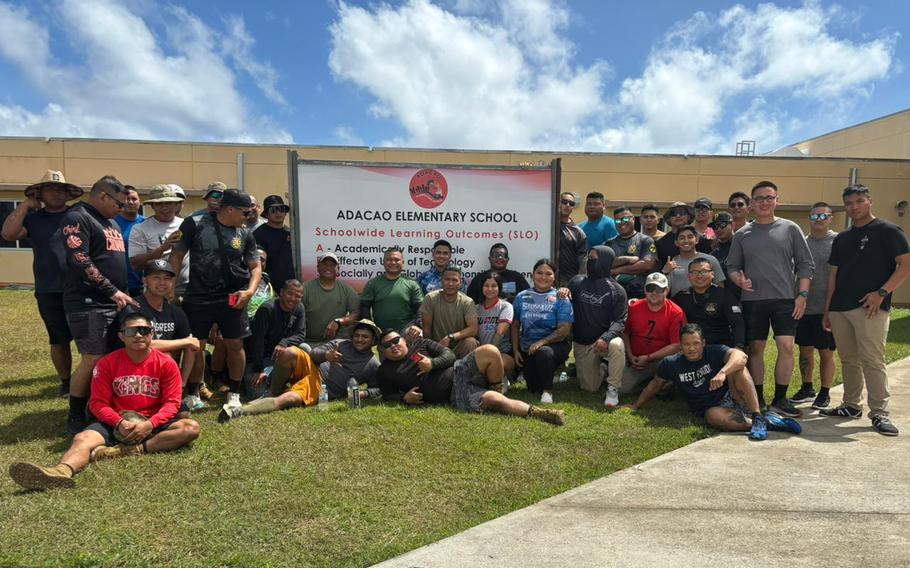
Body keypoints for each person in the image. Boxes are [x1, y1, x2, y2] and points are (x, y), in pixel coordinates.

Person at [8, 313, 200, 491]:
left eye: (145, 330)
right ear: (121, 336)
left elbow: (172, 403)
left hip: (153, 421)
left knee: (190, 428)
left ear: (152, 334)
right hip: (116, 421)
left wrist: (150, 424)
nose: (139, 335)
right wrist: (119, 422)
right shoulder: (107, 363)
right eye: (132, 331)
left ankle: (126, 451)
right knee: (82, 439)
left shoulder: (166, 363)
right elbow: (98, 403)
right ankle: (60, 472)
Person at [821, 184, 910, 436]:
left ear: (870, 201)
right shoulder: (842, 238)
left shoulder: (889, 231)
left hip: (870, 307)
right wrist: (828, 310)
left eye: (859, 201)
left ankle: (879, 412)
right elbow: (833, 276)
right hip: (840, 308)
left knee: (872, 360)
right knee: (849, 359)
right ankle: (851, 405)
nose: (854, 207)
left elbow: (905, 265)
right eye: (849, 203)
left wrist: (881, 293)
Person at [726, 180, 814, 417]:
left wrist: (802, 295)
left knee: (786, 346)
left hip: (786, 299)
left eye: (769, 197)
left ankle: (780, 399)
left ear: (777, 200)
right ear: (752, 203)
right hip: (753, 300)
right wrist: (738, 281)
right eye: (759, 198)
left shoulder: (790, 228)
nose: (764, 202)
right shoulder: (742, 234)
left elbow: (806, 265)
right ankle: (758, 398)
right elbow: (732, 266)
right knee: (756, 348)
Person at [626, 324, 801, 441]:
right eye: (687, 344)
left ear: (703, 343)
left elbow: (742, 356)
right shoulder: (671, 364)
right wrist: (636, 405)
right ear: (680, 346)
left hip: (735, 395)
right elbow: (655, 385)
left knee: (738, 366)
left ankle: (756, 415)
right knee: (713, 417)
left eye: (696, 343)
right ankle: (765, 422)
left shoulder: (714, 351)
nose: (692, 348)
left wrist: (723, 373)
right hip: (713, 408)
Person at [60, 175, 139, 435]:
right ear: (103, 196)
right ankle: (75, 415)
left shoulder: (110, 221)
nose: (123, 208)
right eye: (119, 203)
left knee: (113, 359)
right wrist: (111, 290)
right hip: (89, 302)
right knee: (93, 358)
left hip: (115, 300)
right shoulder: (78, 217)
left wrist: (122, 294)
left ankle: (101, 408)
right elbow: (79, 259)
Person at [171, 188, 262, 413]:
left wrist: (249, 292)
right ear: (229, 209)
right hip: (199, 295)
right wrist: (170, 289)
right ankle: (192, 393)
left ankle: (234, 393)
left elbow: (255, 266)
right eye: (244, 212)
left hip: (234, 296)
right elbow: (176, 255)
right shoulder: (195, 224)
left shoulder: (245, 233)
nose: (248, 216)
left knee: (234, 344)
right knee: (195, 346)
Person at [1, 170, 83, 396]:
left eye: (61, 189)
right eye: (50, 189)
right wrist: (26, 205)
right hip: (49, 288)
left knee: (88, 338)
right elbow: (8, 234)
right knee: (58, 339)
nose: (56, 192)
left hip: (81, 286)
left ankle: (89, 381)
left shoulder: (79, 214)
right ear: (41, 194)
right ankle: (66, 382)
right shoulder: (34, 219)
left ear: (68, 194)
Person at [376, 330, 566, 425]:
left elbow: (449, 356)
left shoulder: (422, 343)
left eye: (395, 340)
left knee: (490, 351)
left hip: (460, 369)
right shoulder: (385, 371)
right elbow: (387, 395)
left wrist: (432, 364)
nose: (393, 346)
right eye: (387, 345)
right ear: (382, 351)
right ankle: (541, 413)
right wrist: (403, 398)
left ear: (403, 339)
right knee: (494, 400)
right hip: (455, 394)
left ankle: (495, 387)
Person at [219, 320, 382, 422]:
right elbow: (312, 354)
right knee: (290, 352)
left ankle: (238, 412)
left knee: (288, 399)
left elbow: (377, 389)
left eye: (365, 337)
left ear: (373, 340)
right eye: (357, 335)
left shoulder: (372, 363)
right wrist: (326, 355)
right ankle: (273, 390)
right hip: (312, 367)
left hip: (320, 387)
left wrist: (362, 394)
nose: (359, 339)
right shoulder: (341, 343)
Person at [133, 260, 201, 410]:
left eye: (167, 278)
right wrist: (184, 342)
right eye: (156, 277)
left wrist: (181, 383)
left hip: (163, 370)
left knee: (182, 417)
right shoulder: (134, 307)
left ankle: (179, 389)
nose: (162, 282)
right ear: (144, 280)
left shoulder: (176, 312)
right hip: (134, 370)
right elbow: (142, 343)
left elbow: (192, 345)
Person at [567, 246, 627, 407]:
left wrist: (606, 338)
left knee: (617, 345)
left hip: (603, 341)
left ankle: (613, 388)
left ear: (605, 261)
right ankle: (604, 366)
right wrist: (563, 290)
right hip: (582, 342)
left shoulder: (617, 290)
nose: (590, 262)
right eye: (588, 259)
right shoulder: (577, 282)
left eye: (594, 259)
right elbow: (566, 301)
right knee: (590, 388)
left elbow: (620, 321)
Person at [792, 202, 838, 409]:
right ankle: (807, 387)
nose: (818, 220)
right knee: (805, 350)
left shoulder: (838, 241)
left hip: (827, 307)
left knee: (826, 351)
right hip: (803, 307)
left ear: (831, 218)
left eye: (823, 216)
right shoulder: (801, 242)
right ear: (809, 218)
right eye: (814, 216)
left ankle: (825, 391)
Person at [512, 259, 573, 403]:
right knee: (532, 388)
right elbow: (515, 326)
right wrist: (516, 351)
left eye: (548, 274)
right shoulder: (521, 297)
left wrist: (541, 342)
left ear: (554, 277)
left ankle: (548, 392)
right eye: (539, 273)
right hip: (528, 348)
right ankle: (545, 379)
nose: (543, 277)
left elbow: (564, 330)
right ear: (532, 275)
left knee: (544, 353)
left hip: (555, 346)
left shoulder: (561, 297)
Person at [620, 273, 686, 394]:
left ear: (667, 290)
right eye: (650, 288)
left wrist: (649, 358)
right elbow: (625, 333)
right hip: (636, 359)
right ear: (645, 290)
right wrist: (630, 356)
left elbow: (677, 345)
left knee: (671, 363)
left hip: (660, 360)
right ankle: (655, 385)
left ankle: (663, 382)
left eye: (659, 289)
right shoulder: (634, 307)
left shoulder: (676, 312)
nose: (654, 293)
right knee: (623, 389)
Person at [242, 279, 307, 399]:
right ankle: (275, 384)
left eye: (297, 296)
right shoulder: (267, 309)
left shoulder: (299, 308)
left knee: (305, 349)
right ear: (281, 292)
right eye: (290, 294)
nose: (293, 299)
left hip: (280, 357)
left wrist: (284, 342)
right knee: (256, 395)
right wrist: (259, 369)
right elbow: (257, 342)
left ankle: (282, 383)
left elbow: (300, 334)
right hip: (259, 358)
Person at [128, 184, 189, 297]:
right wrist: (162, 248)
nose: (164, 207)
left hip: (187, 289)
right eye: (159, 204)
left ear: (176, 205)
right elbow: (135, 265)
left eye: (169, 203)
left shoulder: (186, 224)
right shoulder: (140, 229)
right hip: (156, 290)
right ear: (152, 206)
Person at [672, 257, 745, 349]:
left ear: (712, 274)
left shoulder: (725, 295)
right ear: (689, 276)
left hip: (720, 346)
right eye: (694, 272)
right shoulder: (682, 296)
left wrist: (739, 346)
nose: (699, 276)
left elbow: (737, 323)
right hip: (691, 348)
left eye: (704, 271)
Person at [301, 252, 360, 348]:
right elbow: (296, 314)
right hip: (309, 342)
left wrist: (339, 321)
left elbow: (356, 312)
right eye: (325, 264)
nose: (328, 267)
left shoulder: (346, 289)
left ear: (338, 269)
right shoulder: (305, 288)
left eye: (332, 265)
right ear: (318, 267)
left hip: (336, 343)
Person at [360, 246, 424, 334]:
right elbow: (364, 307)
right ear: (383, 262)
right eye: (389, 260)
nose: (393, 262)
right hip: (380, 331)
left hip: (406, 329)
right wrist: (370, 327)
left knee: (418, 335)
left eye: (397, 260)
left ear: (403, 262)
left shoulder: (412, 284)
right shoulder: (373, 283)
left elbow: (420, 308)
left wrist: (418, 326)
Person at [419, 266, 479, 358]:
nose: (450, 283)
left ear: (460, 283)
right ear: (441, 281)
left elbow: (473, 329)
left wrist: (451, 337)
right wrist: (432, 350)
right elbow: (426, 330)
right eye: (447, 279)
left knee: (471, 342)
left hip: (459, 347)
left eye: (454, 280)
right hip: (438, 347)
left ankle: (463, 370)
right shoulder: (430, 298)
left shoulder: (467, 302)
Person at [661, 225, 725, 295]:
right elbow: (663, 291)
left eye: (690, 237)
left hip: (706, 303)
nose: (686, 241)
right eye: (682, 238)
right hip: (678, 304)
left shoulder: (710, 260)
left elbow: (720, 286)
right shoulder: (672, 263)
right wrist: (665, 272)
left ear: (696, 240)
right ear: (676, 243)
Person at [609, 206, 657, 299]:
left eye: (625, 218)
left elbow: (647, 264)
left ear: (633, 219)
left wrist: (616, 270)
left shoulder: (645, 240)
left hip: (638, 293)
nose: (622, 222)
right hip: (614, 293)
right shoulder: (609, 243)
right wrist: (627, 259)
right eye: (617, 221)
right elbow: (603, 264)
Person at [476, 272, 516, 375]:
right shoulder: (476, 308)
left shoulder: (505, 306)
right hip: (479, 352)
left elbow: (500, 333)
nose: (490, 289)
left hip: (502, 352)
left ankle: (503, 379)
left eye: (494, 286)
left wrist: (489, 353)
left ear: (499, 288)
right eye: (486, 286)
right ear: (481, 287)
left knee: (493, 365)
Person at [253, 195, 295, 291]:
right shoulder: (258, 235)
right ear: (266, 214)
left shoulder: (291, 233)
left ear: (285, 213)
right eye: (273, 210)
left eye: (281, 209)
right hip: (268, 286)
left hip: (290, 286)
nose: (278, 213)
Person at [466, 243, 530, 304]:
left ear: (507, 259)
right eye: (495, 255)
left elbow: (528, 298)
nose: (499, 258)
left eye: (503, 255)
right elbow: (470, 303)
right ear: (490, 259)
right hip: (485, 314)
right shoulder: (479, 278)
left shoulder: (517, 278)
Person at [656, 201, 711, 267]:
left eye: (682, 213)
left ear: (688, 217)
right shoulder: (660, 243)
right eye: (673, 213)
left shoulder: (702, 240)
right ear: (669, 219)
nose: (678, 216)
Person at [114, 185, 145, 296]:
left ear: (139, 202)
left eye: (134, 199)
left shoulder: (147, 224)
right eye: (127, 199)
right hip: (116, 285)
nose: (131, 202)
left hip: (142, 285)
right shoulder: (110, 222)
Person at [557, 192, 587, 286]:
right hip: (546, 278)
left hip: (568, 282)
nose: (567, 205)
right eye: (564, 202)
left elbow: (583, 260)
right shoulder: (548, 224)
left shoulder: (578, 232)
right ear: (558, 203)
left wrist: (579, 282)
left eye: (571, 203)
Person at [710, 211, 740, 299]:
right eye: (715, 226)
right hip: (722, 301)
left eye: (722, 225)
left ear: (733, 225)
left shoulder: (743, 245)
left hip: (745, 298)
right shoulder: (713, 254)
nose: (718, 229)